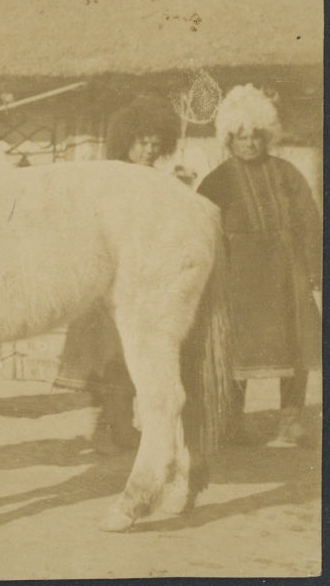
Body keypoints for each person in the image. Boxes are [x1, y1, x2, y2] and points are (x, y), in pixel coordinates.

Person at [54, 94, 182, 452]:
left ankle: (121, 426)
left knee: (134, 358)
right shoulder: (108, 178)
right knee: (107, 357)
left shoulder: (158, 182)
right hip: (105, 281)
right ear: (127, 141)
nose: (149, 151)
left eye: (156, 145)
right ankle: (109, 428)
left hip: (141, 281)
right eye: (143, 143)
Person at [196, 84, 321, 447]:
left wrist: (314, 268)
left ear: (267, 137)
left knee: (297, 345)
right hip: (239, 278)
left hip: (287, 273)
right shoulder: (217, 181)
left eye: (256, 136)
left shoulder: (287, 173)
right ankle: (232, 422)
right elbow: (200, 228)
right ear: (229, 140)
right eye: (242, 137)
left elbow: (310, 221)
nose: (250, 144)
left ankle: (290, 421)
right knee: (236, 351)